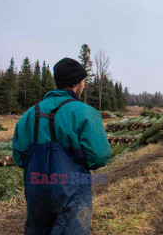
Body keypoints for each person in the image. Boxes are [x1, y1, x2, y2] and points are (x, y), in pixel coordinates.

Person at [12, 57, 111, 235]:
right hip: (72, 189)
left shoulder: (29, 114)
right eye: (83, 81)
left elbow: (19, 157)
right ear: (77, 83)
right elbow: (98, 156)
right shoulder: (85, 113)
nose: (84, 85)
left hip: (36, 188)